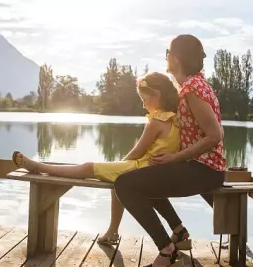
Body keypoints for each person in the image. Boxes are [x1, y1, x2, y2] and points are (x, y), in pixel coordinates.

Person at [11, 71, 181, 246]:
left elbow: (137, 152)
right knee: (117, 180)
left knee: (87, 167)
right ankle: (113, 231)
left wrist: (119, 164)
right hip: (152, 171)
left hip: (141, 168)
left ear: (157, 95)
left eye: (144, 99)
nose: (144, 105)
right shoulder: (177, 120)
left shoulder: (156, 123)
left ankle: (38, 167)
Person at [113, 34, 226, 267]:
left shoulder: (192, 89)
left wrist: (176, 158)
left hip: (204, 171)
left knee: (125, 185)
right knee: (146, 178)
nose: (166, 56)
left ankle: (167, 251)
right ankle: (178, 233)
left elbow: (214, 134)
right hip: (203, 168)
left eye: (168, 52)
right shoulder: (195, 85)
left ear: (176, 58)